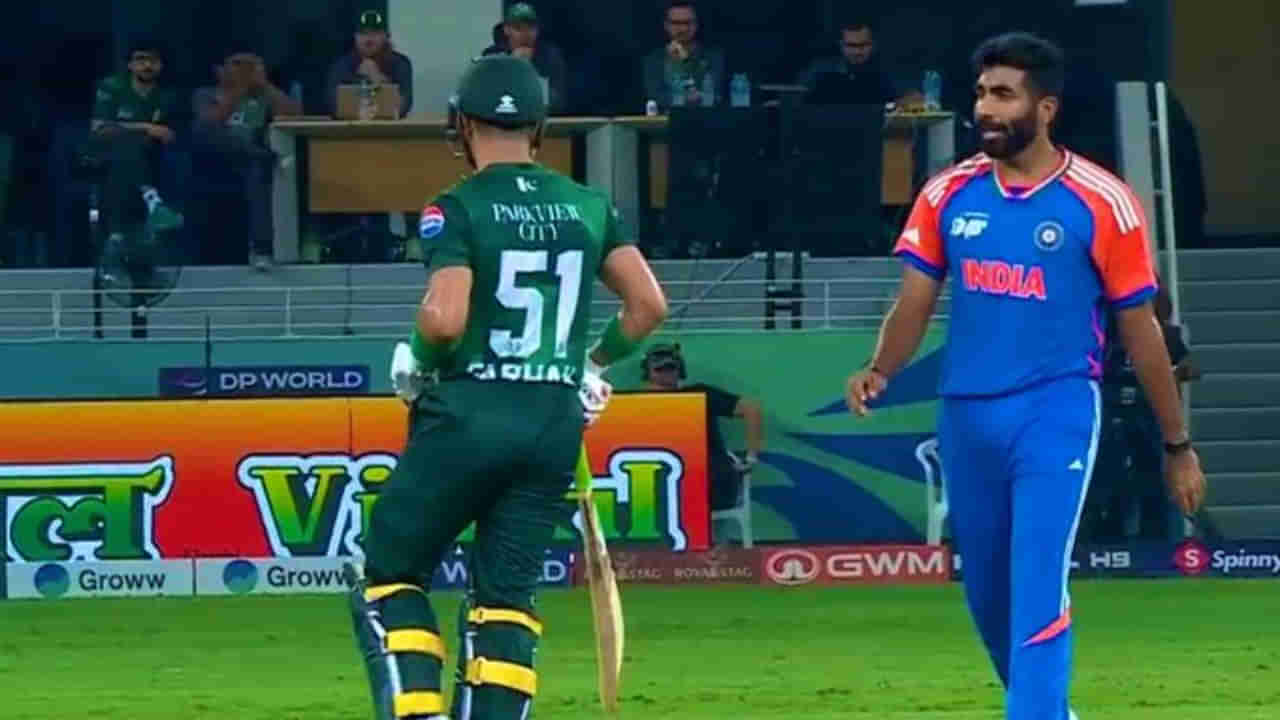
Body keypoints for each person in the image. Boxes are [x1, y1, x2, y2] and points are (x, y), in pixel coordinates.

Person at [844, 33, 1205, 720]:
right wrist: (881, 367)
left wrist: (1176, 443)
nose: (985, 107)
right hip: (966, 416)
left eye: (1004, 94)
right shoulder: (947, 192)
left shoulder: (1102, 200)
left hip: (1055, 410)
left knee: (1037, 587)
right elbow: (914, 300)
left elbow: (1141, 330)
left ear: (1045, 108)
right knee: (987, 593)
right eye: (982, 93)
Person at [343, 55, 667, 720]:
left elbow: (443, 317)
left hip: (468, 414)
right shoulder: (588, 206)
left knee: (390, 572)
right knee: (506, 603)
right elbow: (648, 307)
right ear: (539, 128)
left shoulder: (456, 208)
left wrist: (419, 361)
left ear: (462, 125)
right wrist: (591, 366)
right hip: (551, 424)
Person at [1089, 281, 1202, 542]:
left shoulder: (1169, 335)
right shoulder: (1109, 334)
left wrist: (1179, 372)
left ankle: (1159, 538)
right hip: (1111, 411)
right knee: (1108, 478)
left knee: (1154, 476)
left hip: (1149, 413)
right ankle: (1104, 536)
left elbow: (1187, 365)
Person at [640, 343, 764, 542]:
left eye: (670, 367)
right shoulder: (636, 404)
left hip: (709, 481)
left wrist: (751, 458)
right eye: (659, 368)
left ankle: (702, 548)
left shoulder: (700, 394)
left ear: (680, 370)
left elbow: (752, 409)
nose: (666, 373)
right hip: (659, 484)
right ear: (648, 372)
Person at [192, 46, 302, 268]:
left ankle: (261, 250)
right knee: (233, 143)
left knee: (258, 169)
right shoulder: (205, 94)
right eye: (237, 64)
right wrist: (239, 89)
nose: (245, 70)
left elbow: (295, 116)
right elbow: (210, 123)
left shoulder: (263, 96)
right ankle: (263, 155)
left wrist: (265, 85)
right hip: (214, 159)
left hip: (250, 163)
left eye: (252, 64)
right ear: (219, 70)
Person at [89, 37, 184, 242]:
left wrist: (149, 134)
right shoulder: (112, 87)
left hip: (154, 154)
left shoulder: (168, 95)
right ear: (130, 65)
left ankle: (118, 237)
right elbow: (99, 128)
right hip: (111, 152)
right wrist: (146, 127)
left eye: (153, 60)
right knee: (127, 147)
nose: (147, 65)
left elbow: (171, 134)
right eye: (140, 59)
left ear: (161, 65)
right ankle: (153, 203)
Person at [326, 8, 414, 118]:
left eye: (375, 33)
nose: (368, 39)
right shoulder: (342, 65)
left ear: (386, 36)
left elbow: (403, 107)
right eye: (363, 33)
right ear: (355, 37)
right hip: (350, 126)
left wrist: (377, 78)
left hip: (389, 127)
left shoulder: (400, 63)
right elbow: (334, 107)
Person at [481, 3, 567, 114]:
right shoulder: (492, 56)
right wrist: (512, 66)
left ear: (538, 30)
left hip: (538, 118)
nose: (525, 34)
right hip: (503, 119)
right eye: (518, 28)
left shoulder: (549, 55)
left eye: (531, 28)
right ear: (506, 30)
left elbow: (557, 102)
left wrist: (529, 69)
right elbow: (488, 99)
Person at [642, 1, 725, 112]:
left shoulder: (713, 56)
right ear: (666, 25)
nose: (683, 29)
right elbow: (654, 97)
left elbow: (714, 94)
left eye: (688, 23)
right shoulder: (654, 59)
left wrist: (685, 61)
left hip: (706, 118)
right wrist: (685, 99)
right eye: (676, 23)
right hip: (667, 119)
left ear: (696, 25)